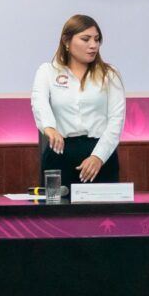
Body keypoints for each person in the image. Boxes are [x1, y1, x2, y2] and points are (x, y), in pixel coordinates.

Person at [30, 15, 126, 184]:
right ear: (66, 41)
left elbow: (116, 120)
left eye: (97, 39)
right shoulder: (48, 71)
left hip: (100, 156)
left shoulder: (109, 74)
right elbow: (39, 102)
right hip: (60, 153)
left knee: (102, 202)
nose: (93, 45)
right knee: (57, 202)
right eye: (85, 39)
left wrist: (98, 157)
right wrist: (49, 128)